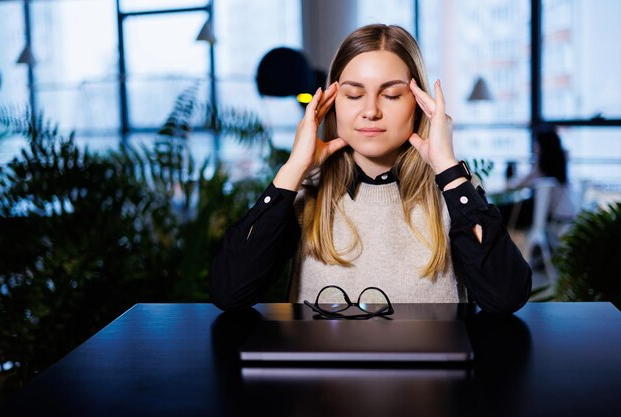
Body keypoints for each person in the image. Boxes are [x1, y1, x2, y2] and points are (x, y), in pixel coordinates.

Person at [210, 24, 531, 314]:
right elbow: (230, 291)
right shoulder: (307, 188)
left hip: (427, 378)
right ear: (332, 101)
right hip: (323, 377)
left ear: (418, 103)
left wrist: (447, 167)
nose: (371, 111)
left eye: (391, 95)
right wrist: (294, 168)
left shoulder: (452, 189)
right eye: (353, 94)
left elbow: (505, 296)